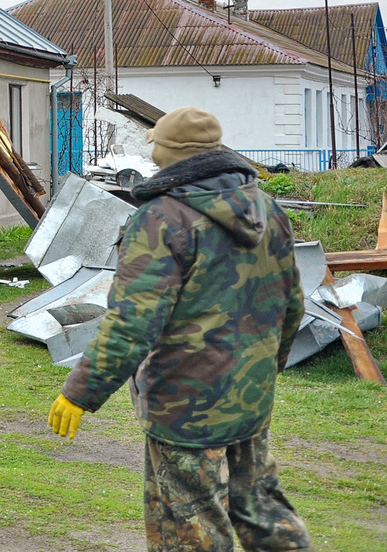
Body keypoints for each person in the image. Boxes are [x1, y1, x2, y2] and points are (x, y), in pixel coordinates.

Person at [47, 106, 313, 552]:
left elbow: (133, 321)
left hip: (184, 404)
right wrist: (263, 370)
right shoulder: (267, 208)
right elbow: (292, 304)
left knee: (190, 529)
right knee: (263, 513)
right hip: (249, 395)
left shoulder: (162, 218)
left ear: (165, 153)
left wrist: (81, 391)